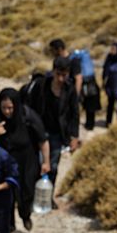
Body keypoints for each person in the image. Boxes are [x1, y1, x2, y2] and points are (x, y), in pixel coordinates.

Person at [0, 88, 50, 232]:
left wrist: (46, 161)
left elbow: (43, 140)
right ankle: (10, 224)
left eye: (10, 108)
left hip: (27, 160)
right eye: (4, 108)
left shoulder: (28, 116)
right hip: (5, 162)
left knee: (27, 191)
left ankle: (25, 215)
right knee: (8, 194)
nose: (7, 112)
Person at [27, 56, 79, 209]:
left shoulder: (70, 89)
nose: (62, 78)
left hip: (58, 133)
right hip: (39, 130)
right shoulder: (42, 85)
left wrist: (74, 136)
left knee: (53, 166)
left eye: (65, 75)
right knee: (36, 164)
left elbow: (74, 113)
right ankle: (32, 197)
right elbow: (30, 107)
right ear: (54, 71)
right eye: (59, 74)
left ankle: (47, 197)